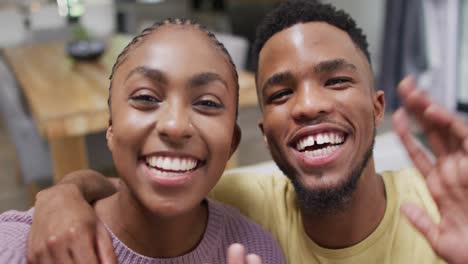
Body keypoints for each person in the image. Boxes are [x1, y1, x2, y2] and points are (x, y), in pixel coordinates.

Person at [22, 1, 468, 263]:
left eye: (336, 80)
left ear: (377, 109)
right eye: (280, 94)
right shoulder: (239, 201)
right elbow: (127, 189)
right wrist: (61, 198)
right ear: (262, 133)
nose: (309, 105)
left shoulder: (446, 208)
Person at [0, 18, 286, 264]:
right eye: (146, 98)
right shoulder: (21, 247)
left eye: (207, 103)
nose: (174, 126)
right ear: (110, 129)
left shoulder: (259, 251)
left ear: (232, 144)